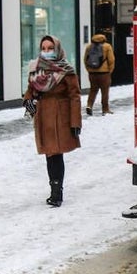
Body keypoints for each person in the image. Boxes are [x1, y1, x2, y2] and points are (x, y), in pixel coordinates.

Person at [24, 35, 82, 208]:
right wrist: (28, 101)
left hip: (59, 116)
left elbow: (75, 96)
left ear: (57, 49)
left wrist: (75, 122)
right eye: (44, 48)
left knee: (55, 154)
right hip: (42, 116)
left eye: (50, 48)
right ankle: (54, 190)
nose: (46, 51)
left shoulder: (66, 70)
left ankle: (57, 193)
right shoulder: (35, 68)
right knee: (49, 154)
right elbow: (30, 90)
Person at [82, 32, 116, 116]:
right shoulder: (107, 46)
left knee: (93, 90)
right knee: (105, 91)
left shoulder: (89, 47)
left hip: (92, 73)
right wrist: (110, 71)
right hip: (104, 73)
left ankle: (89, 106)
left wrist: (89, 70)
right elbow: (111, 60)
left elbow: (85, 59)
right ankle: (105, 109)